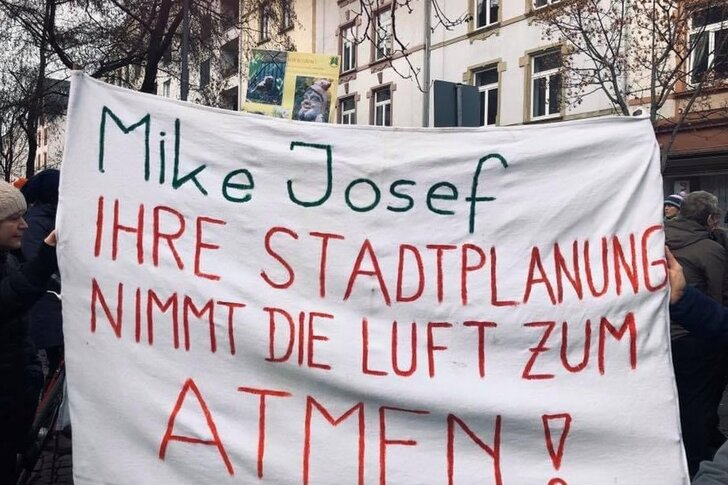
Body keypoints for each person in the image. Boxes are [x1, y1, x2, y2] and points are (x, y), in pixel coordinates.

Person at [665, 190, 727, 476]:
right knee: (699, 406)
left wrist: (683, 300)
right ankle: (696, 456)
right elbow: (720, 297)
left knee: (678, 400)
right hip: (699, 340)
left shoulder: (656, 239)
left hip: (664, 336)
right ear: (711, 219)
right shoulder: (710, 249)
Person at [0, 180, 58, 483]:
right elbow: (9, 298)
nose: (24, 225)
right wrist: (46, 256)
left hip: (15, 393)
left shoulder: (8, 256)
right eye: (13, 219)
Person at [21, 169, 63, 378]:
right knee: (56, 365)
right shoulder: (37, 221)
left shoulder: (51, 217)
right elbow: (35, 260)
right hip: (47, 303)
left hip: (52, 302)